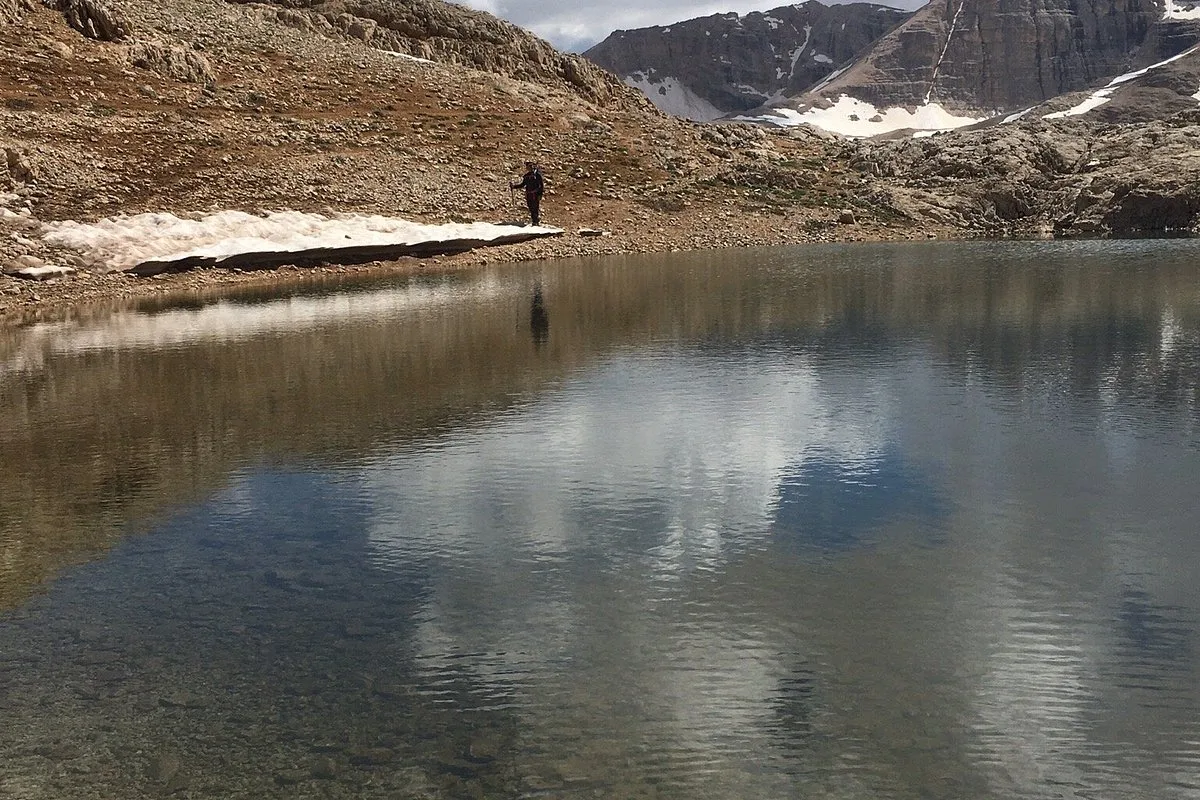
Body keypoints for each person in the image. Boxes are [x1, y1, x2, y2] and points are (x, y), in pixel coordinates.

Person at [511, 161, 544, 226]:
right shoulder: (526, 176)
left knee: (535, 208)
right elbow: (523, 185)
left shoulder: (537, 175)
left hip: (535, 194)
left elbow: (541, 186)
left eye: (531, 166)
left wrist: (540, 194)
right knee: (531, 207)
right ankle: (534, 220)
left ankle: (535, 221)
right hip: (529, 194)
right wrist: (514, 186)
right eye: (529, 166)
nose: (530, 167)